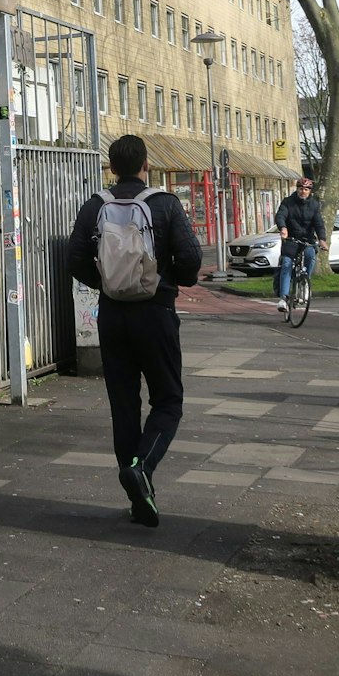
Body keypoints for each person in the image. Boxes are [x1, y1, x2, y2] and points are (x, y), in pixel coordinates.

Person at [69, 134, 201, 529]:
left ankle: (138, 493)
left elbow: (74, 257)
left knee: (124, 404)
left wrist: (108, 284)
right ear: (146, 165)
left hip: (112, 316)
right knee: (168, 400)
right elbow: (192, 256)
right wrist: (171, 279)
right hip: (155, 313)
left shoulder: (95, 205)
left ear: (111, 168)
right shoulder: (164, 204)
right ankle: (141, 467)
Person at [271, 177, 328, 313]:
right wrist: (283, 228)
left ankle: (305, 282)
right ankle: (284, 298)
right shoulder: (288, 202)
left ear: (310, 192)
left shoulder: (314, 205)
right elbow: (281, 215)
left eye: (306, 189)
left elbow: (319, 223)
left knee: (310, 255)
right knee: (286, 263)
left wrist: (322, 239)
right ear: (297, 189)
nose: (303, 191)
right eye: (301, 189)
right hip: (291, 239)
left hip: (307, 239)